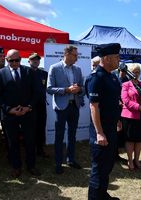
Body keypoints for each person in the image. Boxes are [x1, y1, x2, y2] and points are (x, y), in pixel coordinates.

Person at [0, 49, 41, 177]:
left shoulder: (29, 72)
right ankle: (16, 166)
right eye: (11, 60)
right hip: (9, 115)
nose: (14, 63)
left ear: (21, 59)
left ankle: (31, 165)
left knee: (30, 140)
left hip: (28, 113)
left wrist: (28, 107)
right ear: (6, 60)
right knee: (12, 141)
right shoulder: (0, 74)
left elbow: (37, 92)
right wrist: (9, 109)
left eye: (17, 60)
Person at [86, 43, 121, 200]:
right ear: (106, 58)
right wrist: (99, 133)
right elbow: (94, 107)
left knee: (107, 166)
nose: (119, 60)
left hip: (111, 128)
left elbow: (114, 102)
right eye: (116, 57)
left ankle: (102, 194)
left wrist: (118, 119)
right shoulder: (96, 78)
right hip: (100, 131)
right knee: (99, 168)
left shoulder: (112, 76)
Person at [47, 45, 84, 174]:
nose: (77, 58)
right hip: (61, 107)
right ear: (67, 54)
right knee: (59, 135)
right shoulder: (54, 68)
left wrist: (79, 89)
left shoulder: (78, 70)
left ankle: (70, 159)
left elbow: (83, 88)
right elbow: (49, 89)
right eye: (75, 55)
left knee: (72, 135)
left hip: (74, 106)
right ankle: (58, 163)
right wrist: (66, 90)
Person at [121, 63, 141, 170]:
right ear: (129, 73)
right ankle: (130, 161)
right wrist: (138, 107)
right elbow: (125, 100)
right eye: (134, 72)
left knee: (139, 140)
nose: (136, 74)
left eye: (138, 72)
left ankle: (137, 160)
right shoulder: (125, 85)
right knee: (130, 140)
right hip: (130, 117)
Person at [28, 52, 48, 157]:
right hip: (29, 106)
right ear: (29, 61)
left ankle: (40, 149)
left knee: (41, 127)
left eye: (37, 59)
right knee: (31, 128)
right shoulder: (25, 72)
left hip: (41, 105)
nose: (36, 61)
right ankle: (30, 150)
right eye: (33, 59)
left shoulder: (44, 73)